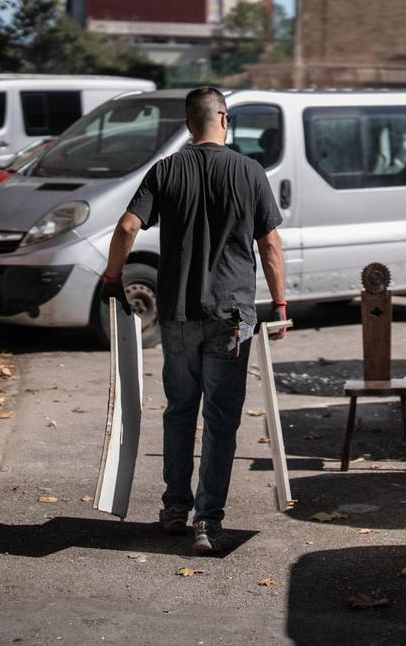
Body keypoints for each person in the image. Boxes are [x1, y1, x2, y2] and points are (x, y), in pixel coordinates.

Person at [100, 87, 289, 554]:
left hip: (179, 315)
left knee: (180, 412)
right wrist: (280, 305)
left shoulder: (166, 170)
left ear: (188, 124)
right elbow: (270, 245)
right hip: (231, 316)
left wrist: (112, 276)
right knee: (221, 420)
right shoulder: (250, 172)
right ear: (224, 119)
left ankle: (173, 508)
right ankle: (208, 521)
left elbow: (127, 227)